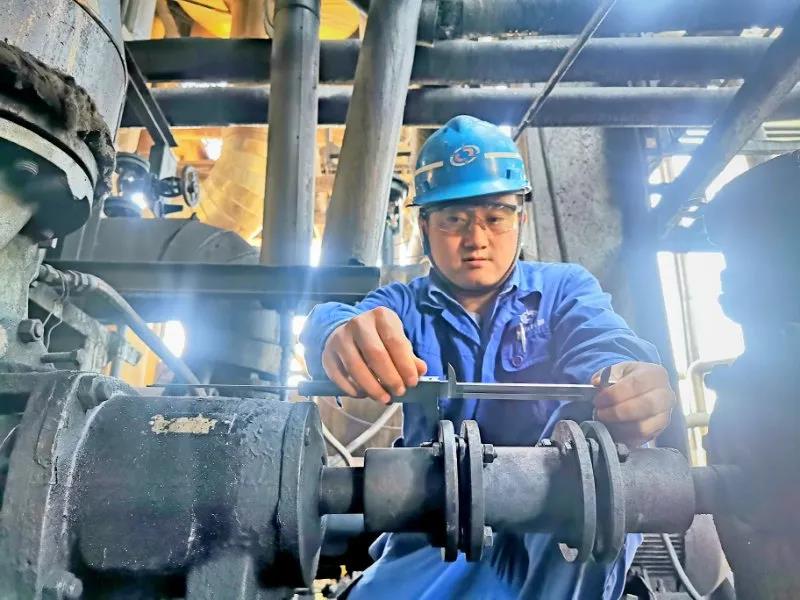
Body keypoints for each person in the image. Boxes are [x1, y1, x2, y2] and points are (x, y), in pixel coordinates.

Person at [301, 115, 675, 599]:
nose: (476, 239)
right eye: (454, 219)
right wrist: (333, 335)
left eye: (495, 217)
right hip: (434, 527)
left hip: (555, 524)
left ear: (521, 219)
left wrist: (627, 378)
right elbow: (338, 319)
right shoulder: (402, 305)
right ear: (424, 227)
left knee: (596, 468)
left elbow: (603, 340)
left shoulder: (563, 289)